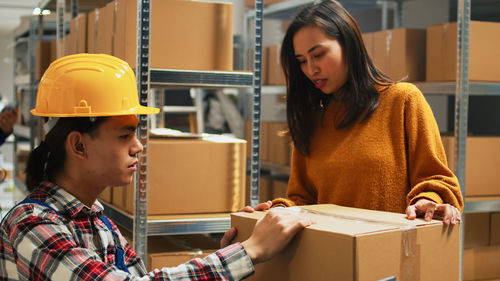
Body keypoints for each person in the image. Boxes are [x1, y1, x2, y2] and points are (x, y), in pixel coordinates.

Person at [0, 54, 313, 280]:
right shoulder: (32, 223)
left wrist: (234, 251)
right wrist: (249, 252)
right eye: (125, 135)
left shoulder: (98, 223)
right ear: (79, 145)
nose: (138, 146)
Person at [245, 0, 463, 225]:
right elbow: (303, 199)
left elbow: (438, 179)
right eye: (302, 61)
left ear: (348, 44)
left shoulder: (402, 100)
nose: (311, 69)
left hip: (391, 252)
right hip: (332, 254)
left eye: (318, 55)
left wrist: (429, 200)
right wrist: (275, 211)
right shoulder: (313, 119)